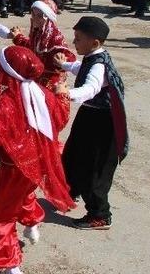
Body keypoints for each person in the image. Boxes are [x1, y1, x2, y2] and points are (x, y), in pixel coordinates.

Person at [0, 46, 76, 274]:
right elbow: (60, 118)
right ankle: (32, 223)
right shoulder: (40, 93)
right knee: (23, 195)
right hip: (39, 162)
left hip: (15, 167)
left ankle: (10, 265)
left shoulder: (8, 101)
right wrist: (62, 93)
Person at [55, 16, 128, 230]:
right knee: (74, 154)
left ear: (94, 43)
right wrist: (64, 65)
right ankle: (71, 192)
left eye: (78, 39)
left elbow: (91, 88)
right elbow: (80, 68)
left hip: (103, 124)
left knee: (95, 169)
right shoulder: (92, 58)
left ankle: (100, 215)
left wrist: (67, 93)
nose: (74, 42)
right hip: (89, 116)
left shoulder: (100, 66)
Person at [11, 0, 76, 90]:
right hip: (36, 78)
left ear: (48, 18)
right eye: (33, 14)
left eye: (39, 16)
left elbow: (68, 57)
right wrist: (18, 37)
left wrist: (62, 59)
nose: (35, 18)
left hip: (51, 83)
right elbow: (31, 48)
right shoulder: (38, 31)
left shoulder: (54, 36)